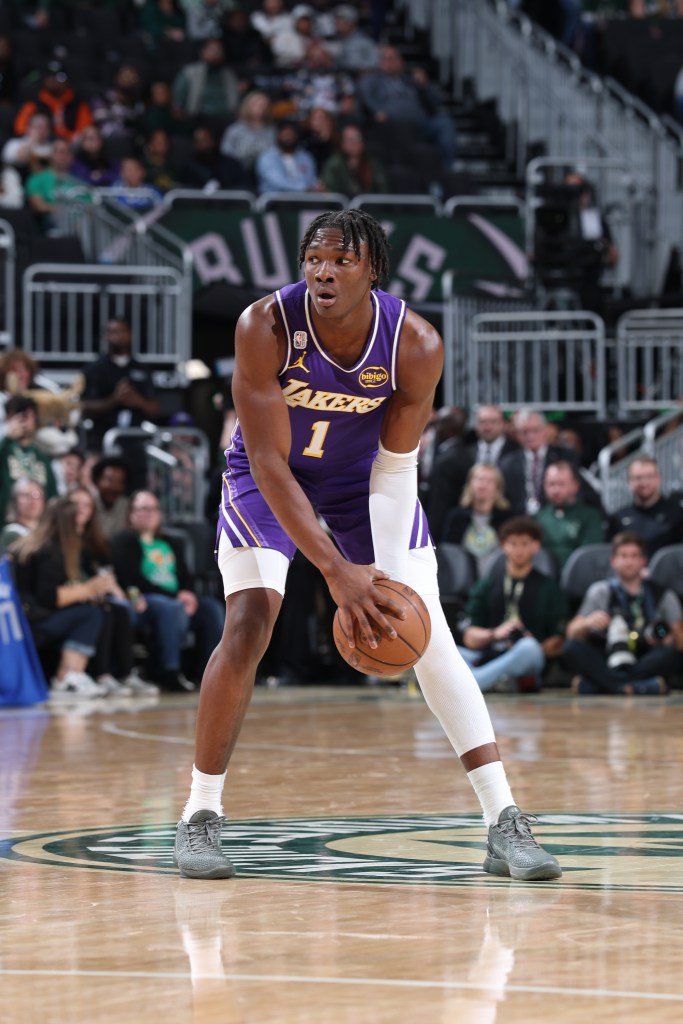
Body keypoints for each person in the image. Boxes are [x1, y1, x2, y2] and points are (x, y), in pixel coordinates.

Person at [172, 208, 561, 882]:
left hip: (365, 482)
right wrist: (335, 570)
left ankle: (502, 819)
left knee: (428, 627)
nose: (323, 271)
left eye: (341, 260)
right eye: (314, 259)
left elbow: (393, 465)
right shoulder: (263, 327)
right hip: (268, 481)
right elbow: (266, 461)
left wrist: (379, 577)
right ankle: (199, 815)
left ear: (371, 269)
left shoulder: (414, 342)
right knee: (249, 621)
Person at [11, 491, 142, 699]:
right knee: (90, 614)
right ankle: (67, 677)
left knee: (97, 610)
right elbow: (51, 597)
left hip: (25, 619)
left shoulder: (38, 544)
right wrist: (89, 588)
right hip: (31, 622)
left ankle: (79, 675)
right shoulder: (48, 550)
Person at [111, 490, 224, 692]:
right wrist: (177, 597)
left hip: (177, 600)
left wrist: (188, 593)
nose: (150, 513)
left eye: (154, 508)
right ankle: (169, 671)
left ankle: (210, 673)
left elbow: (185, 576)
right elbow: (131, 579)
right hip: (145, 600)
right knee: (169, 607)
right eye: (143, 509)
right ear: (131, 514)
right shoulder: (123, 541)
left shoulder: (171, 541)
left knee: (211, 609)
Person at [562, 531, 683, 695]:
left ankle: (601, 685)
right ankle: (639, 687)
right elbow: (571, 632)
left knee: (670, 654)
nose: (629, 562)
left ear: (643, 560)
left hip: (644, 655)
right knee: (572, 647)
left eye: (634, 556)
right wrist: (588, 622)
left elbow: (679, 641)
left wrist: (666, 638)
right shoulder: (600, 591)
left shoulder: (662, 595)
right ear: (613, 560)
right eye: (623, 556)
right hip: (608, 653)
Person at [459, 517, 568, 694]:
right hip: (490, 653)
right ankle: (496, 680)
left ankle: (472, 684)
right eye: (513, 544)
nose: (519, 550)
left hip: (526, 656)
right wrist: (494, 634)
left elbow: (558, 639)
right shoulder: (488, 584)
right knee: (444, 652)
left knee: (529, 648)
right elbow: (470, 637)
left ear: (536, 546)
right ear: (503, 546)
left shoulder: (549, 587)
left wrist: (529, 644)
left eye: (524, 544)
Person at [355, 44, 456, 171]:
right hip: (393, 127)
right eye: (385, 59)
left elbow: (435, 103)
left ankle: (446, 170)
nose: (389, 63)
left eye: (393, 59)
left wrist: (425, 86)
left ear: (401, 62)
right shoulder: (374, 81)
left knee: (444, 123)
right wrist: (376, 112)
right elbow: (364, 95)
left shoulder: (410, 80)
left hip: (421, 126)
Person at [78, 316, 160, 456]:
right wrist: (114, 400)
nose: (118, 335)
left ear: (130, 335)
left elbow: (154, 407)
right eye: (113, 331)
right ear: (105, 336)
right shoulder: (94, 369)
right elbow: (83, 406)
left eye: (122, 331)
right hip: (101, 442)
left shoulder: (142, 369)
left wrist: (137, 401)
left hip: (135, 444)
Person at [499, 407, 579, 515]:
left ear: (545, 430)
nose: (530, 436)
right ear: (517, 434)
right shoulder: (508, 463)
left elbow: (576, 491)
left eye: (535, 430)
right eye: (524, 432)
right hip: (519, 520)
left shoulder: (564, 456)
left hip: (557, 517)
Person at [441, 463, 513, 578]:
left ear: (498, 488)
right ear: (470, 484)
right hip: (461, 583)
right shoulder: (456, 518)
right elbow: (449, 555)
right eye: (479, 479)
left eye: (489, 481)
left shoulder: (507, 519)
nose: (483, 485)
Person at [534, 460, 606, 574]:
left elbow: (588, 557)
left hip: (577, 582)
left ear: (575, 486)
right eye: (551, 484)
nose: (555, 490)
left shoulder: (590, 517)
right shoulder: (537, 518)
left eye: (561, 484)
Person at [608, 455, 683, 556]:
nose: (644, 482)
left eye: (649, 476)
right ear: (629, 481)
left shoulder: (677, 514)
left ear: (658, 478)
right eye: (638, 477)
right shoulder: (618, 518)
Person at [0, 396, 58, 526]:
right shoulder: (3, 449)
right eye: (17, 416)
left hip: (37, 530)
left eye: (27, 416)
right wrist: (7, 437)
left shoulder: (42, 457)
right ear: (7, 419)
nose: (23, 421)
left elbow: (53, 495)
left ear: (35, 420)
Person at [13, 61, 93, 143]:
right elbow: (20, 128)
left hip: (71, 145)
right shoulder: (34, 103)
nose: (54, 81)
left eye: (59, 77)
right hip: (42, 144)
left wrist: (68, 139)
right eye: (50, 77)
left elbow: (85, 129)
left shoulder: (78, 103)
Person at [25, 138, 91, 232]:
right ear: (51, 155)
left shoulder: (80, 182)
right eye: (59, 152)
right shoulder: (37, 179)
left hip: (82, 226)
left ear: (72, 157)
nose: (62, 156)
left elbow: (91, 207)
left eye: (66, 152)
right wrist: (64, 210)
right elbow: (38, 205)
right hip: (52, 226)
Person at [171, 38, 240, 121]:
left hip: (226, 117)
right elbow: (178, 97)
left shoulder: (229, 74)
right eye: (212, 50)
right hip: (198, 117)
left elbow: (236, 100)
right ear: (202, 52)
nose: (216, 54)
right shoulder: (190, 72)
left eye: (219, 51)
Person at [320, 120, 387, 197]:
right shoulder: (334, 165)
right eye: (349, 139)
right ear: (342, 143)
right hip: (342, 208)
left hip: (368, 208)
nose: (353, 143)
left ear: (363, 142)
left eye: (357, 138)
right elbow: (329, 190)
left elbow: (383, 191)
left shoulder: (372, 164)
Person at [255, 118, 320, 194]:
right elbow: (277, 182)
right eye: (285, 134)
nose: (288, 137)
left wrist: (315, 187)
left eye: (291, 134)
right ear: (278, 135)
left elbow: (311, 179)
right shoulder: (267, 157)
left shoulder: (305, 156)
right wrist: (304, 188)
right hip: (275, 200)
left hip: (304, 199)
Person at [0, 477, 45, 554]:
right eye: (26, 495)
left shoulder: (47, 531)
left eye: (37, 495)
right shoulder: (12, 533)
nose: (32, 500)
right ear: (15, 500)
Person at [90, 455, 130, 538]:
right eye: (109, 480)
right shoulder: (87, 503)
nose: (114, 487)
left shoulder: (127, 506)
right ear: (97, 480)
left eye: (120, 482)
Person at [70, 124, 119, 189]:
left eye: (96, 138)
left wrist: (99, 177)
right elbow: (82, 180)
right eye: (90, 139)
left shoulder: (110, 160)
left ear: (101, 142)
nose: (93, 142)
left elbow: (115, 176)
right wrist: (99, 177)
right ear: (82, 142)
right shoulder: (75, 162)